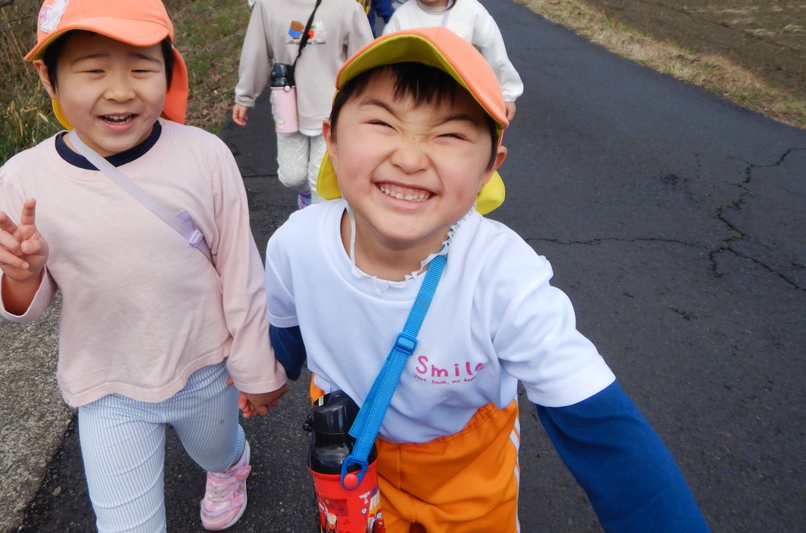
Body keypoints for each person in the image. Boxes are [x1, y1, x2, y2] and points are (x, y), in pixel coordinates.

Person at [263, 27, 711, 533]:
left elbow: (606, 434)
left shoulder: (503, 279)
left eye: (450, 134)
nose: (410, 158)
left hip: (467, 473)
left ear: (487, 170)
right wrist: (271, 375)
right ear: (332, 141)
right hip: (353, 452)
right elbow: (287, 323)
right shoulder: (296, 244)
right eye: (382, 123)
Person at [0, 0, 289, 533]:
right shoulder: (24, 178)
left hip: (204, 367)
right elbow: (14, 302)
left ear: (168, 71)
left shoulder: (204, 156)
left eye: (142, 68)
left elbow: (240, 271)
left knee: (216, 452)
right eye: (93, 70)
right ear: (50, 82)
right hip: (107, 385)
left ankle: (232, 467)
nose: (120, 90)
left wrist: (256, 367)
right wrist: (23, 274)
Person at [232, 0, 371, 209]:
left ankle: (320, 234)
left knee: (321, 184)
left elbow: (365, 58)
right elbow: (255, 54)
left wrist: (367, 103)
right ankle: (306, 195)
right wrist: (245, 97)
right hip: (288, 108)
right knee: (292, 177)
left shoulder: (343, 4)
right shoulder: (268, 4)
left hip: (331, 111)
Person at [385, 0, 522, 120]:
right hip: (415, 107)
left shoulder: (471, 10)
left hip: (465, 104)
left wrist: (507, 94)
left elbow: (495, 53)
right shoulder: (401, 18)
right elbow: (386, 64)